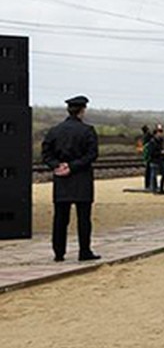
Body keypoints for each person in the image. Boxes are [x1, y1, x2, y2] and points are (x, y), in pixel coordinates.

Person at [41, 95, 100, 262]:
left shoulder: (54, 131)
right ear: (82, 111)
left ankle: (59, 253)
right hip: (81, 178)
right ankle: (84, 251)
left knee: (60, 218)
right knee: (83, 218)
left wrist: (57, 165)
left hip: (61, 180)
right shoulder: (88, 131)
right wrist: (73, 167)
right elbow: (92, 155)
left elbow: (46, 153)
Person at [147, 124, 164, 194]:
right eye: (159, 131)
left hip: (161, 160)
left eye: (161, 131)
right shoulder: (152, 142)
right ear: (155, 132)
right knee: (154, 176)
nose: (161, 133)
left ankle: (161, 189)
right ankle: (154, 189)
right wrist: (160, 152)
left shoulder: (161, 141)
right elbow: (151, 153)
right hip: (154, 161)